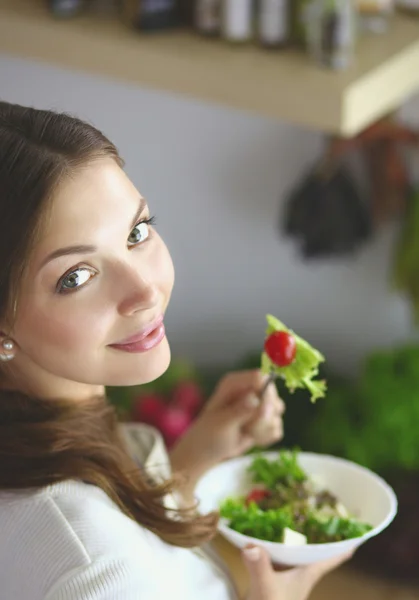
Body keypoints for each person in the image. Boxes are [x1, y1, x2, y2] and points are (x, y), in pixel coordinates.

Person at [0, 101, 352, 600]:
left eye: (136, 232)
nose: (144, 290)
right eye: (75, 277)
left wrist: (192, 462)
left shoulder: (40, 435)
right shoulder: (93, 567)